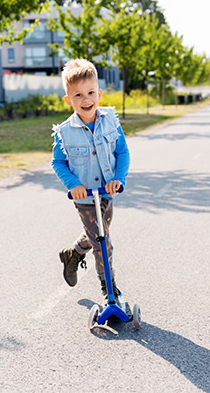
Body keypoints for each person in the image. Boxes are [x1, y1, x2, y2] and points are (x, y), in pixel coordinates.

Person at [51, 58, 130, 303]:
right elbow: (58, 162)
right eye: (78, 95)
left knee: (98, 234)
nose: (86, 100)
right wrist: (73, 185)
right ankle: (109, 290)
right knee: (102, 242)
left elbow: (122, 152)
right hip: (85, 198)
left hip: (106, 193)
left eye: (91, 93)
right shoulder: (64, 132)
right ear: (68, 100)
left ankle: (73, 254)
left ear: (99, 93)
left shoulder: (111, 121)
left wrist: (118, 178)